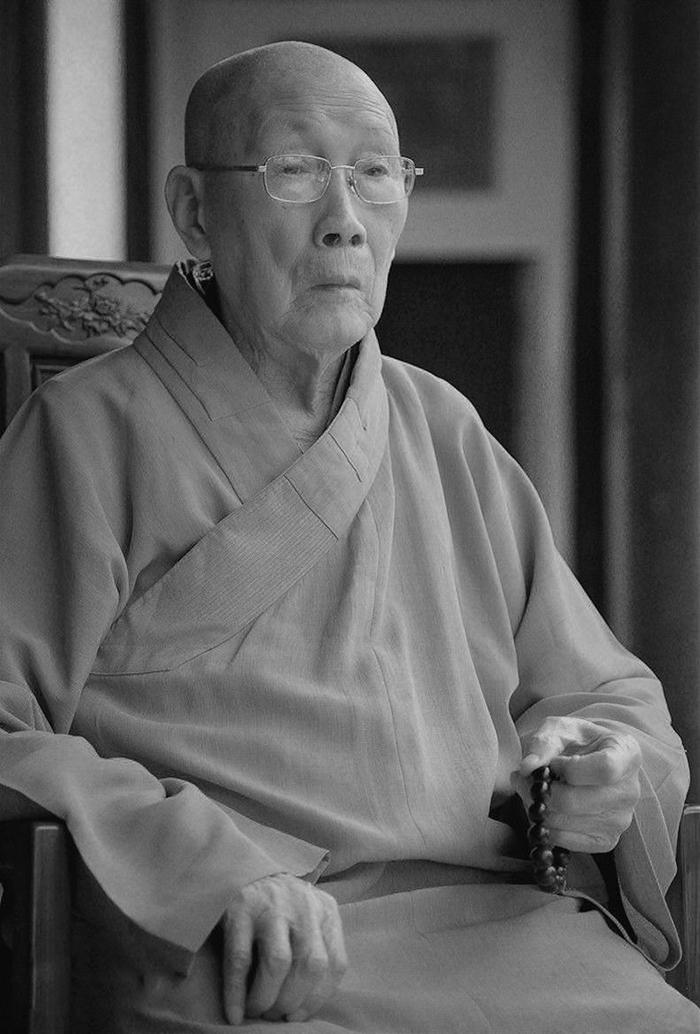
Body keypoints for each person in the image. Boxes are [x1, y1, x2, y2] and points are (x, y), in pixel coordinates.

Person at [0, 40, 697, 1033]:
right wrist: (201, 865)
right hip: (255, 945)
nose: (345, 220)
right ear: (194, 210)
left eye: (375, 174)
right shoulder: (82, 435)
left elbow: (604, 690)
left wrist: (604, 761)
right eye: (294, 171)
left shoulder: (441, 426)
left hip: (499, 930)